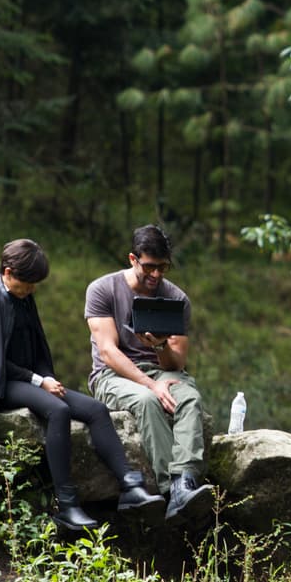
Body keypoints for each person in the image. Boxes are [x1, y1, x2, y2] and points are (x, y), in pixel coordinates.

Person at [0, 238, 165, 533]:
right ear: (7, 272)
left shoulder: (22, 297)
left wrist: (48, 378)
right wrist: (38, 380)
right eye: (27, 283)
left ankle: (131, 486)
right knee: (58, 411)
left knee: (95, 410)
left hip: (32, 379)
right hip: (1, 383)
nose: (31, 289)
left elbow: (37, 350)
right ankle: (67, 506)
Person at [85, 225, 214, 526]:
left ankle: (184, 482)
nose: (156, 275)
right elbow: (108, 352)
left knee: (189, 398)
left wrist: (159, 346)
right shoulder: (103, 290)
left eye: (163, 268)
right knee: (147, 401)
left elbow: (177, 362)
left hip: (162, 370)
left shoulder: (176, 299)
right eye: (149, 267)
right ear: (133, 259)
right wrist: (151, 385)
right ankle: (170, 490)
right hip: (113, 375)